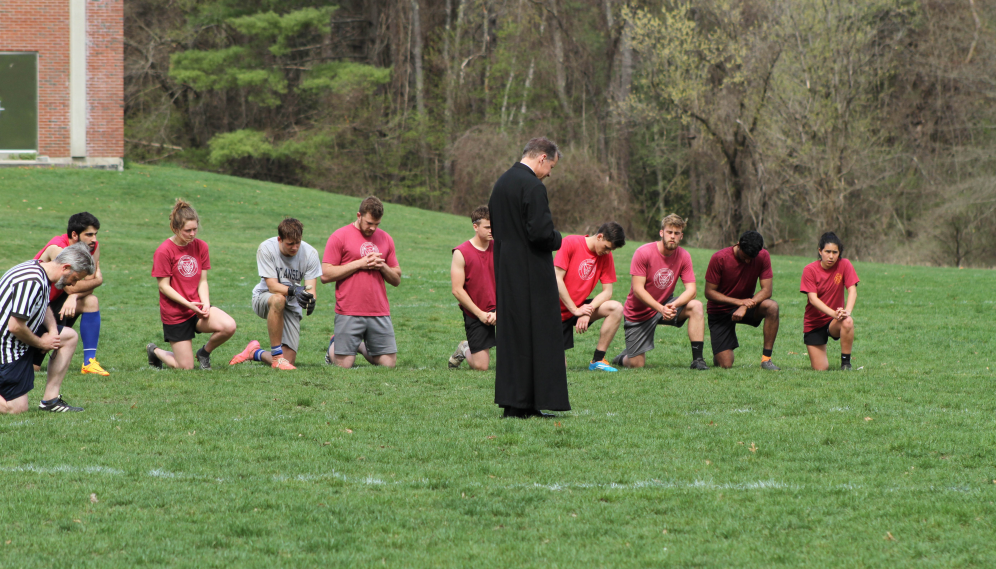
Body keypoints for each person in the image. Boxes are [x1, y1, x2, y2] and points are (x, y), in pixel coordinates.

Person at [488, 137, 569, 418]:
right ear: (542, 158)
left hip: (506, 269)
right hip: (531, 272)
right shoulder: (533, 186)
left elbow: (496, 227)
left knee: (513, 338)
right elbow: (541, 234)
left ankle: (515, 404)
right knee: (539, 336)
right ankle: (530, 402)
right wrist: (559, 238)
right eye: (551, 167)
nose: (549, 174)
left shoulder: (501, 183)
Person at [0, 243, 95, 414]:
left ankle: (50, 401)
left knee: (68, 337)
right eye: (75, 278)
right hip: (7, 346)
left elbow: (41, 307)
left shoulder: (41, 270)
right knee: (16, 408)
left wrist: (52, 331)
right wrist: (42, 343)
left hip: (18, 337)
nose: (73, 285)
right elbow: (14, 326)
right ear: (66, 267)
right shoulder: (32, 281)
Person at [146, 199, 237, 370]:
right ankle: (155, 351)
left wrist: (206, 304)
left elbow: (202, 280)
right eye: (188, 230)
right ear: (175, 228)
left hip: (196, 308)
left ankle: (204, 352)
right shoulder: (164, 251)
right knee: (186, 367)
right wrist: (189, 304)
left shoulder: (201, 247)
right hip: (176, 314)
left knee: (229, 326)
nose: (193, 234)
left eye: (195, 229)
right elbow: (164, 286)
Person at [612, 214, 708, 370]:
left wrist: (672, 305)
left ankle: (698, 361)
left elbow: (692, 291)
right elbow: (637, 289)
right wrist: (660, 308)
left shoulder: (684, 256)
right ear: (661, 233)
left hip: (666, 305)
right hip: (639, 312)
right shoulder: (643, 252)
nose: (672, 236)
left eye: (676, 233)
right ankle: (622, 357)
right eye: (669, 232)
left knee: (696, 306)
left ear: (681, 236)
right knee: (637, 364)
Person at [229, 218, 321, 370]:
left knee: (289, 360)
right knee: (279, 299)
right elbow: (272, 286)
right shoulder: (266, 248)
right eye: (290, 243)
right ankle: (277, 357)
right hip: (264, 298)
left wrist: (311, 300)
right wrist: (293, 290)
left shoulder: (310, 253)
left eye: (297, 242)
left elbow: (311, 288)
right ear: (280, 239)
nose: (295, 247)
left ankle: (254, 352)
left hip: (291, 305)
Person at [321, 196, 401, 369]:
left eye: (377, 224)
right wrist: (360, 263)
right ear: (359, 215)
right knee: (344, 365)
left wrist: (382, 266)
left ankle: (356, 344)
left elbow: (396, 279)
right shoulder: (339, 236)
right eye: (369, 223)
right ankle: (335, 346)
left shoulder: (386, 239)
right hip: (349, 310)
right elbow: (325, 274)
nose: (372, 228)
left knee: (389, 364)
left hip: (378, 310)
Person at [33, 212, 108, 376]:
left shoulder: (93, 246)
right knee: (33, 368)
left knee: (91, 300)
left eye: (95, 234)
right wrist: (98, 280)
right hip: (37, 307)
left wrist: (73, 296)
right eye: (89, 234)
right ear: (74, 235)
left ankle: (89, 362)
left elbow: (83, 284)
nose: (94, 239)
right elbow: (75, 286)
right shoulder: (58, 248)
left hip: (56, 303)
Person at [704, 230, 781, 370]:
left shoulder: (763, 256)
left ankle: (766, 360)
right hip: (719, 310)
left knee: (772, 307)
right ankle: (720, 350)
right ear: (738, 245)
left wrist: (744, 306)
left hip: (747, 304)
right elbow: (709, 292)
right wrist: (739, 302)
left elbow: (767, 290)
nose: (748, 261)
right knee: (725, 364)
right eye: (745, 257)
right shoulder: (719, 258)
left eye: (751, 258)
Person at [554, 222, 626, 372]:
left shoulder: (606, 256)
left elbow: (607, 292)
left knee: (616, 308)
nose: (608, 252)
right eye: (607, 247)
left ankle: (598, 360)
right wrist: (575, 310)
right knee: (559, 369)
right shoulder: (570, 242)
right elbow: (557, 279)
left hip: (579, 307)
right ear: (599, 236)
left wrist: (587, 310)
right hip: (553, 311)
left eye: (611, 249)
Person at [801, 232, 859, 371]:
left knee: (848, 321)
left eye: (835, 252)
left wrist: (846, 312)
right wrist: (834, 313)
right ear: (820, 251)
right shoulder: (809, 270)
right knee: (821, 369)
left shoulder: (845, 264)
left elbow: (852, 291)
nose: (831, 256)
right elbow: (813, 299)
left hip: (835, 320)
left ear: (839, 253)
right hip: (814, 323)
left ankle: (846, 364)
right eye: (827, 252)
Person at [448, 205, 496, 371]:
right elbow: (457, 290)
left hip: (500, 309)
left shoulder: (501, 248)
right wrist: (481, 314)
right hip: (476, 312)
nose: (492, 230)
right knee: (481, 366)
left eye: (494, 226)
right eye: (488, 227)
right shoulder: (461, 253)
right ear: (475, 227)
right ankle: (465, 348)